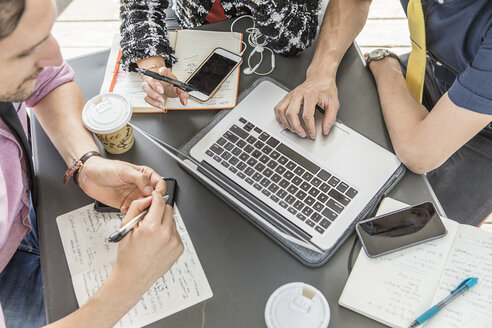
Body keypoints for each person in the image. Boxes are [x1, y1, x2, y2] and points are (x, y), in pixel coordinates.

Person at [0, 0, 184, 327]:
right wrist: (125, 289)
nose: (56, 56)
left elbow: (46, 83)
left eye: (48, 32)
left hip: (25, 218)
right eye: (26, 51)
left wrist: (85, 164)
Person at [274, 0, 492, 226]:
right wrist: (321, 74)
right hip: (441, 68)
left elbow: (419, 153)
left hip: (486, 132)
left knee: (403, 234)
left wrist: (384, 63)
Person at [119, 0, 321, 109]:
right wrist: (155, 70)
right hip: (190, 27)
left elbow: (296, 40)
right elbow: (139, 6)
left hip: (263, 38)